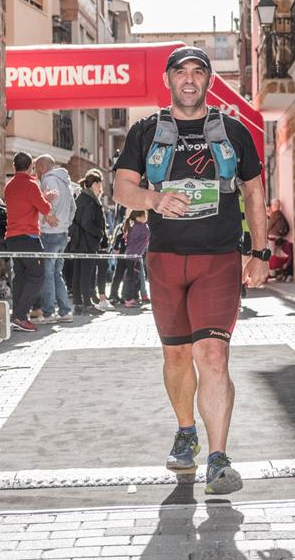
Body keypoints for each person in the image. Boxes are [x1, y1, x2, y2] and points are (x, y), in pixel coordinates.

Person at [113, 45, 268, 496]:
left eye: (198, 72)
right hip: (164, 261)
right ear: (168, 80)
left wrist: (259, 252)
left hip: (218, 260)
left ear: (208, 81)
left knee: (213, 355)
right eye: (180, 71)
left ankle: (219, 460)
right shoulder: (145, 131)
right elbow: (123, 187)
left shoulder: (234, 132)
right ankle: (186, 431)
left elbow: (254, 192)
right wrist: (152, 199)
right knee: (176, 356)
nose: (189, 79)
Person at [3, 152, 55, 333]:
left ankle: (18, 316)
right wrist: (46, 198)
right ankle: (19, 315)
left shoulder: (9, 186)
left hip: (11, 237)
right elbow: (44, 208)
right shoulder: (31, 185)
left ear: (14, 167)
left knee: (21, 276)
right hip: (29, 237)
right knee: (37, 275)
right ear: (31, 167)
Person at [34, 155, 75, 322]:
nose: (36, 172)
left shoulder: (48, 180)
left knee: (48, 274)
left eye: (37, 168)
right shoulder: (65, 182)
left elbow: (50, 202)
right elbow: (73, 206)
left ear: (42, 167)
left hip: (50, 232)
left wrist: (47, 217)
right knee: (56, 273)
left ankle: (49, 312)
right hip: (63, 232)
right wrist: (65, 223)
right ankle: (65, 311)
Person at [68, 170, 108, 315]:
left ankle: (78, 304)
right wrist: (100, 233)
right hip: (87, 243)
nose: (100, 187)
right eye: (99, 184)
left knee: (78, 273)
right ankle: (87, 304)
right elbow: (86, 223)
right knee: (86, 274)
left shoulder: (81, 197)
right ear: (95, 184)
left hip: (79, 242)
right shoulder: (90, 200)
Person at [119, 211, 150, 308]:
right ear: (138, 217)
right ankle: (128, 299)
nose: (146, 217)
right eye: (144, 216)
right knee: (131, 278)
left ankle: (132, 297)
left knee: (134, 277)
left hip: (135, 256)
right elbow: (135, 240)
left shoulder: (138, 226)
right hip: (133, 256)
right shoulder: (138, 227)